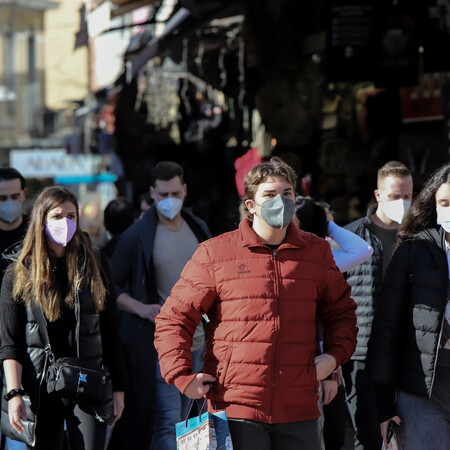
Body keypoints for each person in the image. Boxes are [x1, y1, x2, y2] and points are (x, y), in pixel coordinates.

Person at [154, 157, 358, 450]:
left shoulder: (316, 252)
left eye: (287, 194)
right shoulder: (215, 253)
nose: (281, 201)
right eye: (270, 195)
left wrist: (333, 358)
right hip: (236, 410)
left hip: (299, 411)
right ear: (251, 205)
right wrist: (182, 376)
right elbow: (173, 319)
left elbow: (342, 313)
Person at [0, 186, 127, 450]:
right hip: (41, 386)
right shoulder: (19, 270)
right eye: (57, 216)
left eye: (71, 216)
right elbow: (10, 343)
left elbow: (110, 329)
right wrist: (14, 393)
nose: (65, 223)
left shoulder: (93, 262)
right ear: (41, 220)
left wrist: (119, 387)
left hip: (87, 381)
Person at [109, 161, 211, 450]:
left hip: (200, 341)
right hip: (162, 344)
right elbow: (108, 286)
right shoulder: (138, 235)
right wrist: (140, 308)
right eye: (163, 194)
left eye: (175, 194)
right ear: (152, 193)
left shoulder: (198, 227)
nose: (169, 201)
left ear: (185, 191)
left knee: (195, 420)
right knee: (168, 420)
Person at [366, 162, 450, 449]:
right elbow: (387, 328)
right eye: (444, 203)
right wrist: (382, 403)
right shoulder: (414, 251)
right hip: (422, 391)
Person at [343, 161, 413, 450]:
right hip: (362, 350)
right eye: (396, 196)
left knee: (406, 428)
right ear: (378, 194)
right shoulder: (351, 237)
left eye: (408, 196)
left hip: (406, 349)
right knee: (367, 433)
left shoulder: (418, 238)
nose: (403, 203)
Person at [294, 196, 373, 450]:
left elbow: (363, 250)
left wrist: (325, 223)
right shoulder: (278, 254)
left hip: (320, 361)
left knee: (330, 437)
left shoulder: (323, 258)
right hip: (293, 362)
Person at [0, 168, 28, 288]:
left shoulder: (38, 230)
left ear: (24, 194)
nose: (9, 203)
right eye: (2, 198)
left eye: (15, 196)